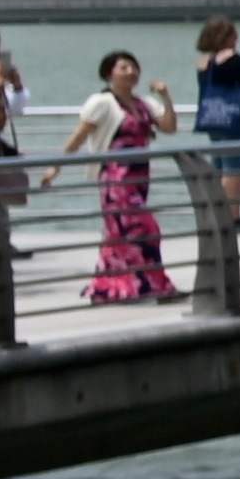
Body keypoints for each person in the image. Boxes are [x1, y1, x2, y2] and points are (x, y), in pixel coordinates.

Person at [64, 49, 166, 305]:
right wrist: (56, 166)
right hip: (116, 177)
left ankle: (121, 285)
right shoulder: (102, 103)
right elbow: (79, 135)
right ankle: (142, 284)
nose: (130, 72)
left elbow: (170, 127)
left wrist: (166, 97)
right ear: (109, 73)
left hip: (140, 176)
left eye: (133, 67)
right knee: (145, 228)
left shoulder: (143, 104)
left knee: (119, 233)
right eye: (123, 68)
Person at [189, 14, 240, 227]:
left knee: (221, 167)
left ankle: (219, 216)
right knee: (234, 170)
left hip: (216, 119)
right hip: (237, 121)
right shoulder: (231, 58)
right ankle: (232, 218)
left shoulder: (207, 62)